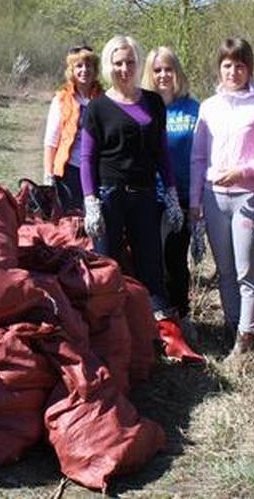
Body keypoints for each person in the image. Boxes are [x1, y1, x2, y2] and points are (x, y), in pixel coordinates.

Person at [80, 35, 185, 357]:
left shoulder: (152, 102)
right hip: (110, 197)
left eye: (130, 62)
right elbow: (86, 158)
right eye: (117, 62)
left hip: (144, 197)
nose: (124, 68)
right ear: (109, 65)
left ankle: (162, 339)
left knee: (151, 266)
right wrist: (90, 201)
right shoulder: (97, 107)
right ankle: (107, 340)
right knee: (108, 267)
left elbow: (162, 153)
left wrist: (170, 193)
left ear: (138, 64)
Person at [189, 38, 254, 356]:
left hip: (247, 197)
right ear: (219, 68)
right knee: (224, 270)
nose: (233, 71)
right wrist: (195, 201)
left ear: (249, 68)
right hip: (214, 199)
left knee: (245, 271)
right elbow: (198, 158)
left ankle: (247, 336)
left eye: (240, 65)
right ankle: (232, 326)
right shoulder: (208, 107)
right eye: (227, 65)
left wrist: (243, 170)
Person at [141, 46, 199, 337]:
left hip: (183, 196)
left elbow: (202, 156)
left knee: (175, 259)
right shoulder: (143, 107)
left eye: (168, 69)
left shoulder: (193, 108)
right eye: (157, 70)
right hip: (148, 196)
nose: (163, 75)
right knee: (151, 259)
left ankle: (182, 313)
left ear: (177, 72)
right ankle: (155, 319)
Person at [42, 45, 103, 214]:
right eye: (79, 66)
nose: (84, 70)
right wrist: (48, 176)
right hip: (68, 171)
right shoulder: (61, 100)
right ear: (72, 70)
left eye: (88, 65)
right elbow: (51, 141)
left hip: (97, 171)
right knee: (70, 222)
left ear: (95, 69)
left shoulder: (105, 99)